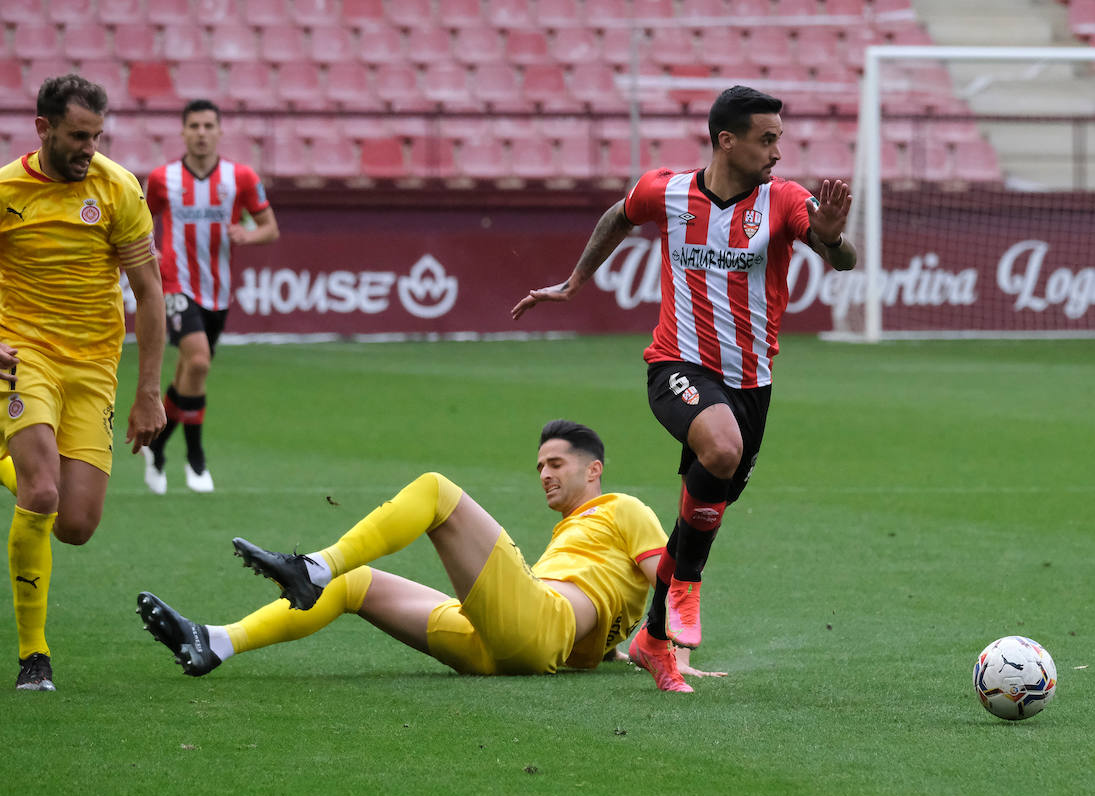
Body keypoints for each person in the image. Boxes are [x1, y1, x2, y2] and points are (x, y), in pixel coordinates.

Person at [510, 86, 856, 691]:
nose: (779, 151)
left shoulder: (784, 201)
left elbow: (842, 257)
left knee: (700, 516)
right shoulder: (666, 191)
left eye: (780, 138)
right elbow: (619, 214)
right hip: (676, 366)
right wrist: (573, 283)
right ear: (727, 140)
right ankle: (686, 594)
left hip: (752, 384)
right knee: (720, 451)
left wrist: (829, 237)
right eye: (766, 138)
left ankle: (654, 640)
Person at [136, 420, 723, 691]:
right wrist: (624, 651)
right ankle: (214, 642)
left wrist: (671, 651)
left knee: (438, 492)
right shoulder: (574, 534)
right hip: (496, 645)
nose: (544, 474)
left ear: (594, 470)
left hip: (538, 626)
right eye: (539, 465)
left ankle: (313, 566)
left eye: (556, 464)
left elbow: (668, 579)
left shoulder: (624, 508)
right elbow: (610, 602)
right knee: (358, 585)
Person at [0, 74, 166, 692]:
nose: (89, 148)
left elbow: (149, 293)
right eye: (77, 136)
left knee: (75, 525)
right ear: (43, 129)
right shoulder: (7, 190)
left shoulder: (118, 189)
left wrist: (150, 392)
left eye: (96, 135)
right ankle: (33, 656)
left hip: (94, 366)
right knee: (40, 493)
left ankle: (7, 454)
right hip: (26, 354)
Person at [142, 99, 279, 494]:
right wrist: (146, 255)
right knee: (199, 362)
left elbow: (270, 227)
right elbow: (140, 221)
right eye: (194, 126)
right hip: (175, 285)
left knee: (189, 371)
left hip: (217, 291)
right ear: (183, 132)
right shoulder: (162, 178)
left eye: (208, 126)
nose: (201, 133)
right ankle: (197, 458)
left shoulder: (241, 178)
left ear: (219, 132)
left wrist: (247, 234)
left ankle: (159, 445)